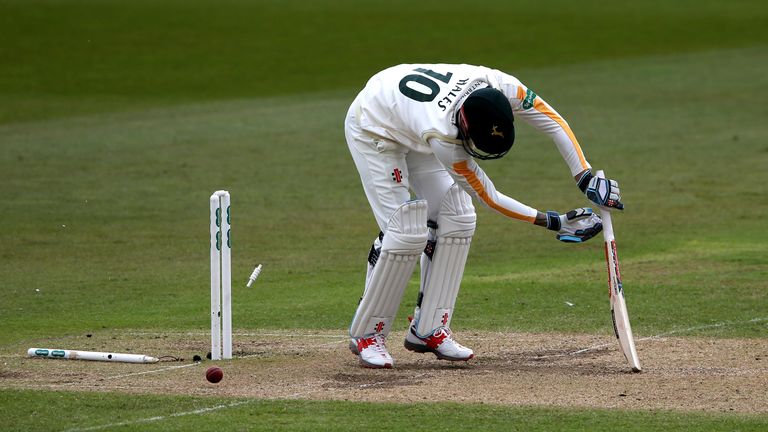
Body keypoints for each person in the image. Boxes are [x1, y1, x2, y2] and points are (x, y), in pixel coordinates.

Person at [345, 64, 622, 369]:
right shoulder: (444, 135)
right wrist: (552, 220)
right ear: (464, 123)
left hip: (410, 120)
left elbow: (552, 120)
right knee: (405, 231)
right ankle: (368, 334)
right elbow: (490, 196)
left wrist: (584, 175)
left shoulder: (503, 85)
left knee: (458, 214)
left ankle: (428, 329)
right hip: (375, 128)